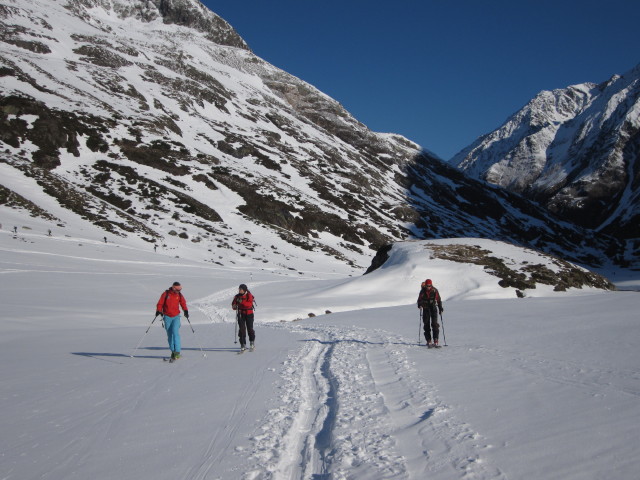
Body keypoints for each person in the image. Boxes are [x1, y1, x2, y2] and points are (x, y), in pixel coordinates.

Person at [156, 281, 189, 360]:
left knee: (175, 333)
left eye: (180, 289)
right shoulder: (166, 294)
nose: (179, 291)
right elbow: (160, 303)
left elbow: (183, 303)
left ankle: (177, 352)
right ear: (173, 288)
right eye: (177, 290)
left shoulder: (179, 295)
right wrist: (158, 310)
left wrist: (185, 311)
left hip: (176, 317)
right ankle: (173, 352)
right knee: (170, 335)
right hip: (167, 317)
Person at [417, 279, 443, 347]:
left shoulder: (434, 290)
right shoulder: (422, 291)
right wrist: (419, 305)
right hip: (425, 309)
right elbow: (419, 300)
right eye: (427, 285)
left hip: (433, 308)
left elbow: (439, 300)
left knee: (435, 324)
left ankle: (436, 340)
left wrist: (440, 308)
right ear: (425, 285)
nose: (429, 287)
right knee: (426, 325)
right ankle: (428, 341)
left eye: (430, 285)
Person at [232, 284, 255, 351]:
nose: (239, 290)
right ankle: (243, 344)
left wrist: (241, 303)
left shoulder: (249, 295)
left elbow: (249, 304)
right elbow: (233, 305)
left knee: (250, 328)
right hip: (240, 314)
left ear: (244, 290)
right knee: (242, 329)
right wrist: (234, 306)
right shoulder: (237, 296)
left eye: (241, 289)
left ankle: (251, 342)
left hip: (249, 314)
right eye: (239, 289)